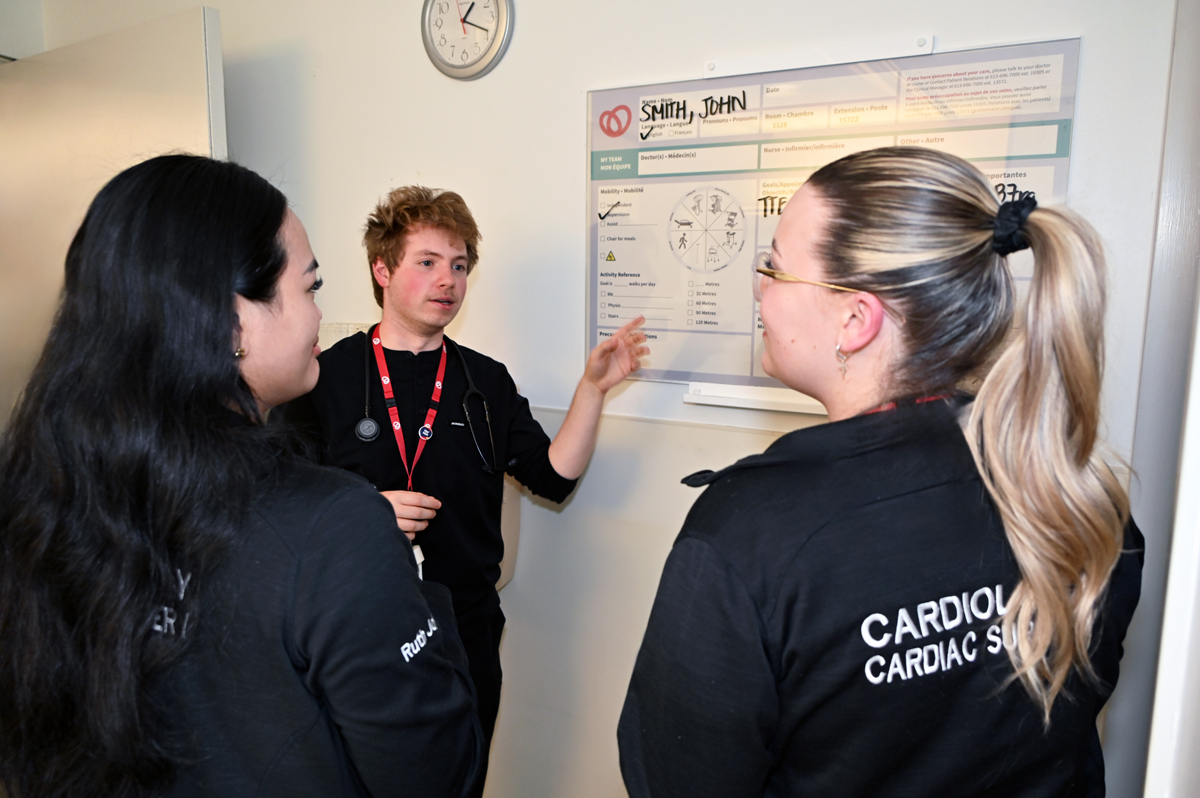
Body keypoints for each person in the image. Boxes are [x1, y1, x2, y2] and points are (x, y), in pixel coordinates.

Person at [617, 147, 1144, 797]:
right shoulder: (1079, 495)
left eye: (775, 269)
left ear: (855, 318)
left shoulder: (751, 535)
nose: (759, 287)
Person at [0, 155, 482, 798]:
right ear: (232, 323)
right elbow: (435, 774)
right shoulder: (334, 527)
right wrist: (420, 590)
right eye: (309, 288)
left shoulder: (46, 489)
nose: (317, 315)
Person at [282, 185, 647, 791]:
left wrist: (593, 389)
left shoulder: (485, 379)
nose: (446, 280)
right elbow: (279, 495)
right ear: (382, 269)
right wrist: (365, 511)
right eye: (426, 262)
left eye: (458, 266)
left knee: (460, 777)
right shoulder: (324, 376)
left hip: (466, 626)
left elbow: (552, 476)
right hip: (354, 624)